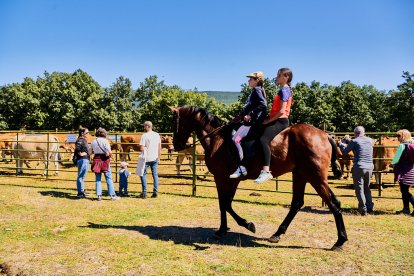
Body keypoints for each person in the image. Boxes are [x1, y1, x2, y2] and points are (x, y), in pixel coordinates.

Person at [255, 68, 293, 183]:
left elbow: (282, 111)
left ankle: (266, 171)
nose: (276, 77)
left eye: (279, 75)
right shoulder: (283, 90)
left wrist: (268, 121)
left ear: (285, 77)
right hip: (277, 120)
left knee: (263, 139)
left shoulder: (284, 91)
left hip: (280, 121)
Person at [229, 71, 267, 179]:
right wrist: (236, 119)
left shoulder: (257, 90)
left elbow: (263, 104)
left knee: (235, 139)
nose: (248, 80)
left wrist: (251, 115)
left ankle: (241, 167)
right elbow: (247, 109)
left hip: (252, 124)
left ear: (257, 81)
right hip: (248, 122)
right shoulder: (255, 91)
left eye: (251, 79)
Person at [339, 126, 374, 215]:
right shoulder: (370, 140)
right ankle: (370, 207)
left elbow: (344, 152)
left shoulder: (354, 141)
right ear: (363, 132)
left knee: (359, 188)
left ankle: (362, 209)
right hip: (370, 166)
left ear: (355, 133)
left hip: (359, 166)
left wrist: (340, 144)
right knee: (367, 187)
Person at [90, 127, 119, 201]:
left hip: (96, 159)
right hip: (105, 160)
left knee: (98, 179)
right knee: (108, 178)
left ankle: (99, 196)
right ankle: (112, 195)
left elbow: (90, 152)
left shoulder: (93, 141)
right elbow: (109, 152)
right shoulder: (105, 141)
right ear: (104, 134)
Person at [391, 129, 414, 215]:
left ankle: (407, 208)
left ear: (403, 136)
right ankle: (406, 209)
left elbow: (396, 159)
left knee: (404, 191)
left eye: (399, 136)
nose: (397, 138)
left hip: (403, 171)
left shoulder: (402, 146)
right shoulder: (412, 144)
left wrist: (392, 164)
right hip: (411, 170)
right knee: (405, 190)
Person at [139, 121, 161, 199]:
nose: (144, 127)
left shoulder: (144, 135)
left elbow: (141, 148)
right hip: (154, 158)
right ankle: (155, 192)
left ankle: (144, 192)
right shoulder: (157, 135)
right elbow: (159, 147)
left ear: (148, 126)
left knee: (143, 174)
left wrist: (144, 148)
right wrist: (159, 157)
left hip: (146, 158)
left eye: (144, 126)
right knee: (155, 175)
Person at [74, 127, 90, 198]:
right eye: (87, 133)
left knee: (82, 176)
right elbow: (77, 148)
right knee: (81, 176)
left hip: (84, 160)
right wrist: (81, 154)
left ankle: (82, 191)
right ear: (82, 133)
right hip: (83, 160)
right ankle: (80, 192)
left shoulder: (83, 140)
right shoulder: (80, 140)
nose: (88, 134)